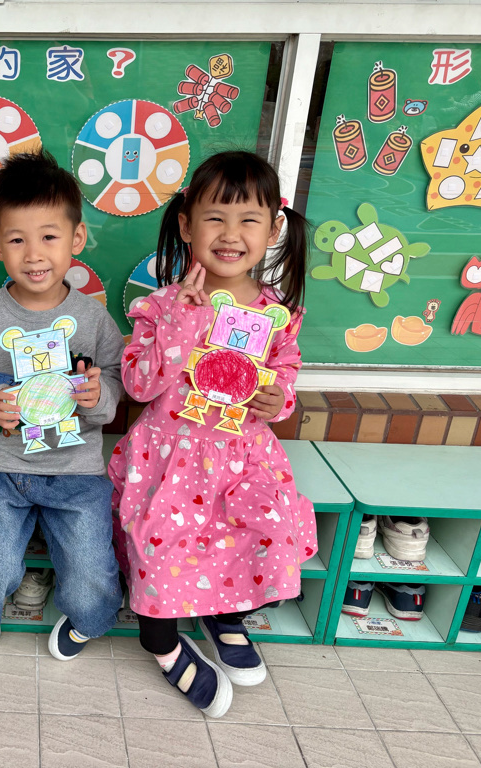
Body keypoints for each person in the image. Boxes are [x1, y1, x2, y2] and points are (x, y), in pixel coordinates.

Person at [108, 151, 316, 717]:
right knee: (159, 555)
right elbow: (139, 385)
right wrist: (182, 321)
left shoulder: (277, 314)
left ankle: (226, 613)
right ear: (186, 225)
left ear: (273, 229)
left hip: (241, 460)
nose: (230, 234)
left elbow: (286, 373)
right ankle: (161, 642)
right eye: (215, 218)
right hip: (169, 463)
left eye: (249, 220)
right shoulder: (160, 306)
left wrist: (278, 398)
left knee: (263, 531)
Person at [0, 151, 124, 660]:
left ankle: (87, 618)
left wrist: (98, 395)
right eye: (17, 239)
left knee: (91, 585)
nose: (34, 254)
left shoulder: (93, 319)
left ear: (77, 238)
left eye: (49, 236)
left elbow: (114, 381)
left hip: (75, 471)